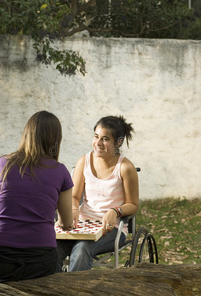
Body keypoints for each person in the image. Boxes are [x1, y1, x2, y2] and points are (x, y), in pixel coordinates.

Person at [56, 115, 139, 272]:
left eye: (105, 139)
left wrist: (115, 211)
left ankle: (74, 290)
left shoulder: (126, 168)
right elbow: (74, 197)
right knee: (52, 248)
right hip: (82, 224)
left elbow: (133, 205)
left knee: (82, 249)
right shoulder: (84, 162)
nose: (98, 143)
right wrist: (74, 209)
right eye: (96, 136)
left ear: (119, 142)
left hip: (112, 228)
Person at [0, 110, 74, 282]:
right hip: (40, 261)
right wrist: (63, 224)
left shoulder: (3, 164)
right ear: (55, 140)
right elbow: (67, 223)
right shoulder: (60, 171)